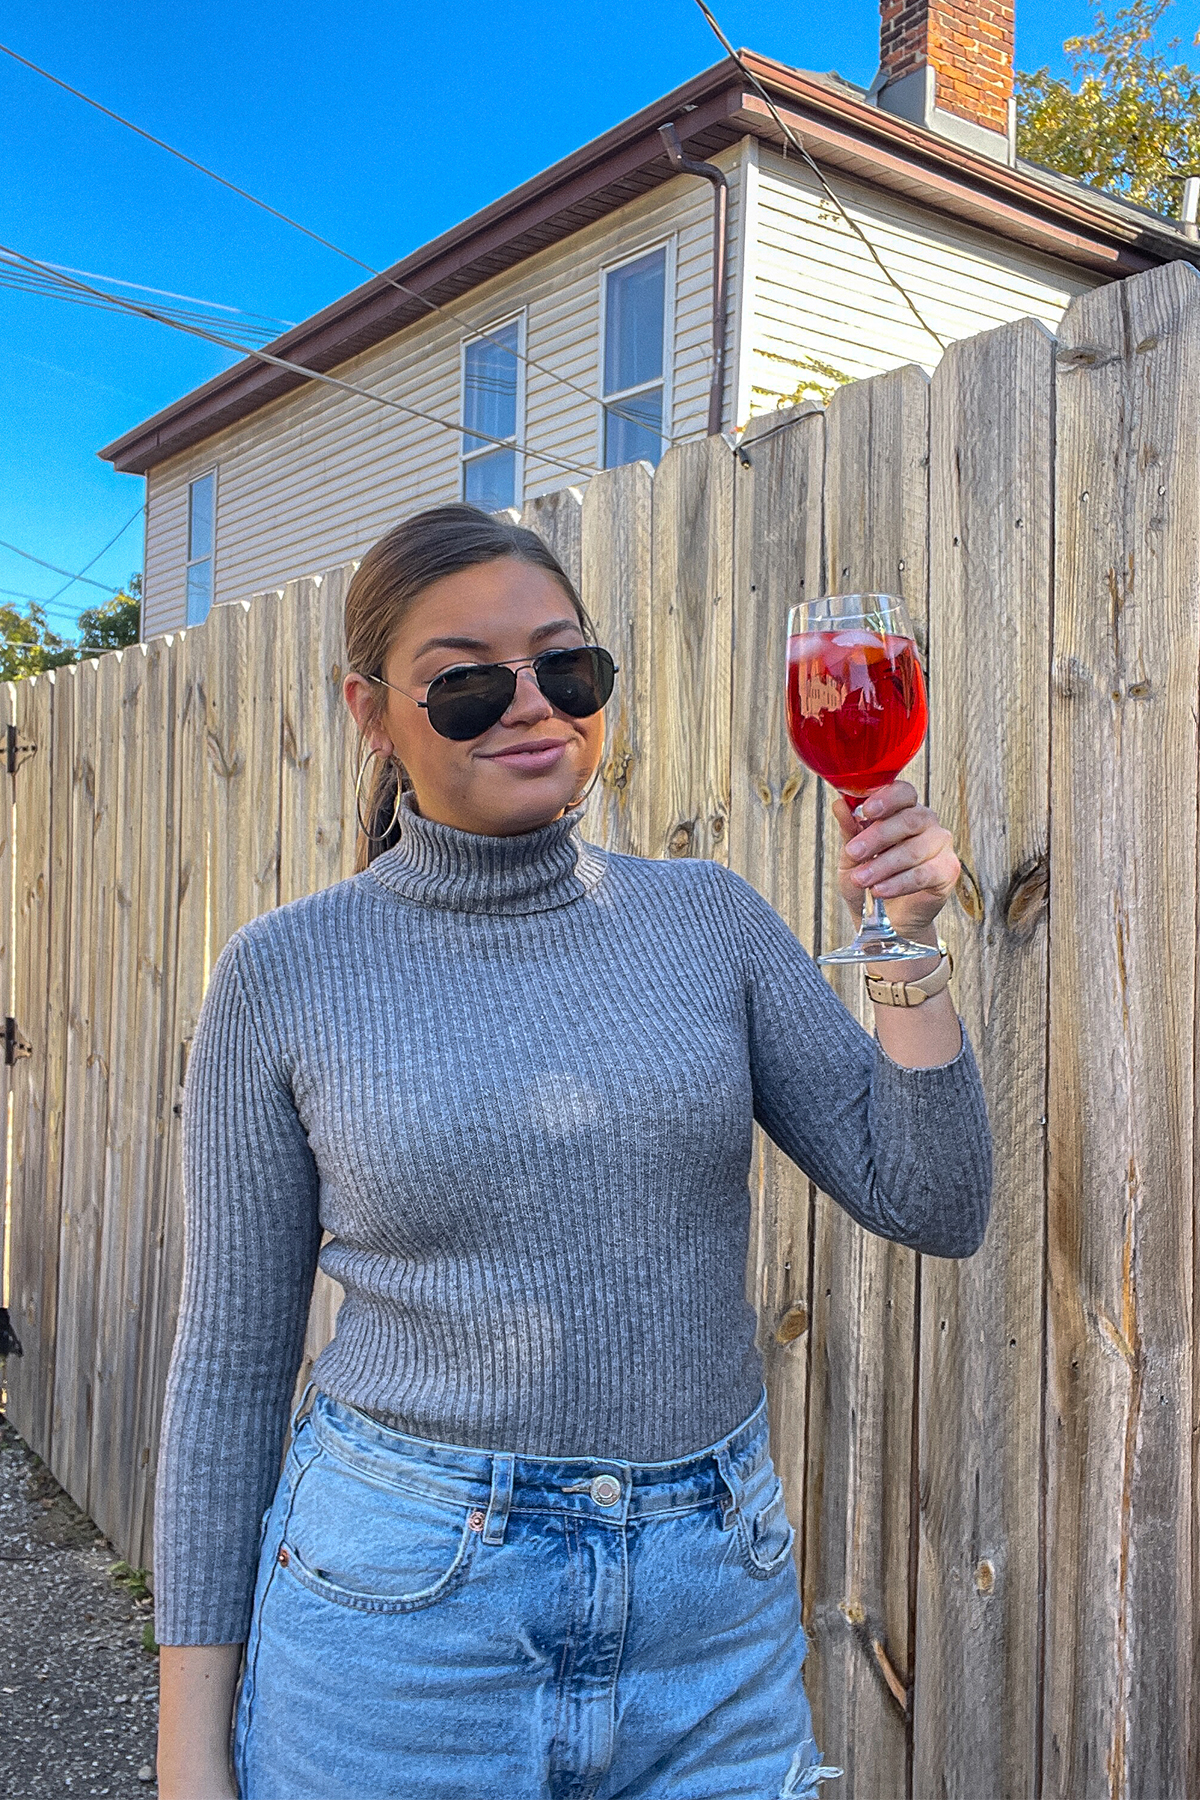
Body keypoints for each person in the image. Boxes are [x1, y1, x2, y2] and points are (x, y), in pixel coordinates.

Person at [154, 504, 992, 1800]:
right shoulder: (286, 971)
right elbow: (228, 1368)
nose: (531, 707)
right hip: (400, 1621)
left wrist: (907, 938)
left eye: (567, 667)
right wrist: (187, 1754)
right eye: (468, 684)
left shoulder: (708, 922)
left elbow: (932, 1198)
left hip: (708, 1616)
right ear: (370, 713)